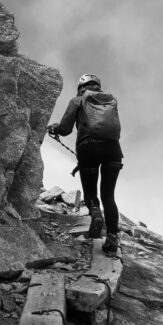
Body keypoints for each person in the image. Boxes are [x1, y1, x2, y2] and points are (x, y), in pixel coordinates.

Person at [46, 73, 123, 253]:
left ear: (81, 87)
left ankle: (95, 213)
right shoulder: (111, 101)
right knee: (109, 196)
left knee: (90, 191)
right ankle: (112, 238)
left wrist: (54, 128)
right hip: (113, 150)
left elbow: (65, 129)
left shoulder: (77, 100)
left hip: (88, 148)